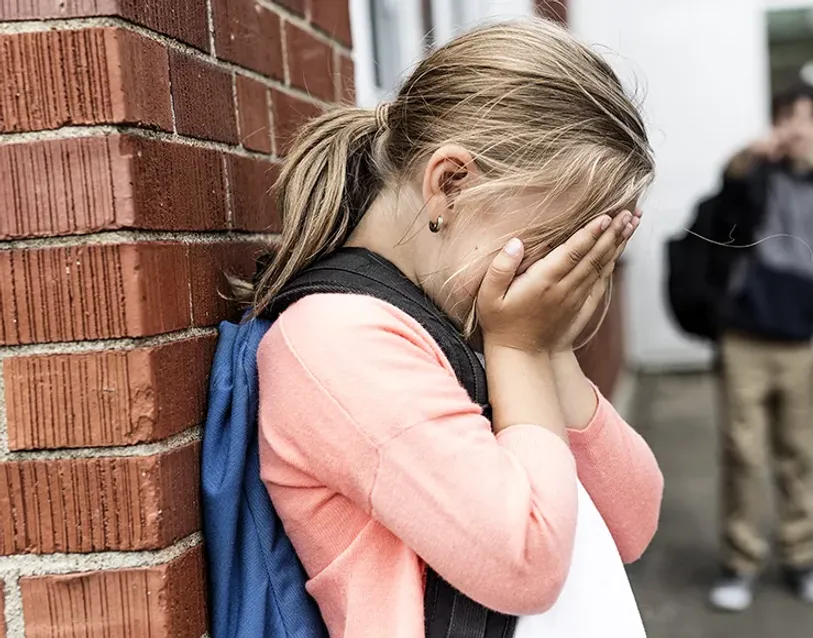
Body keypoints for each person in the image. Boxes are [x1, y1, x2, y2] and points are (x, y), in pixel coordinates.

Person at [246, 21, 663, 638]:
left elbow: (633, 520)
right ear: (449, 184)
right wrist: (519, 346)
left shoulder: (465, 316)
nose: (552, 278)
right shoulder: (336, 341)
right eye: (547, 244)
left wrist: (548, 349)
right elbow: (526, 562)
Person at [707, 81, 813, 612]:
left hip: (800, 345)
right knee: (742, 455)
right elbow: (724, 205)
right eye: (789, 115)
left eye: (811, 117)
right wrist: (746, 156)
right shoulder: (754, 176)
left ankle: (801, 557)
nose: (799, 126)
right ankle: (740, 563)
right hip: (744, 337)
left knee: (797, 456)